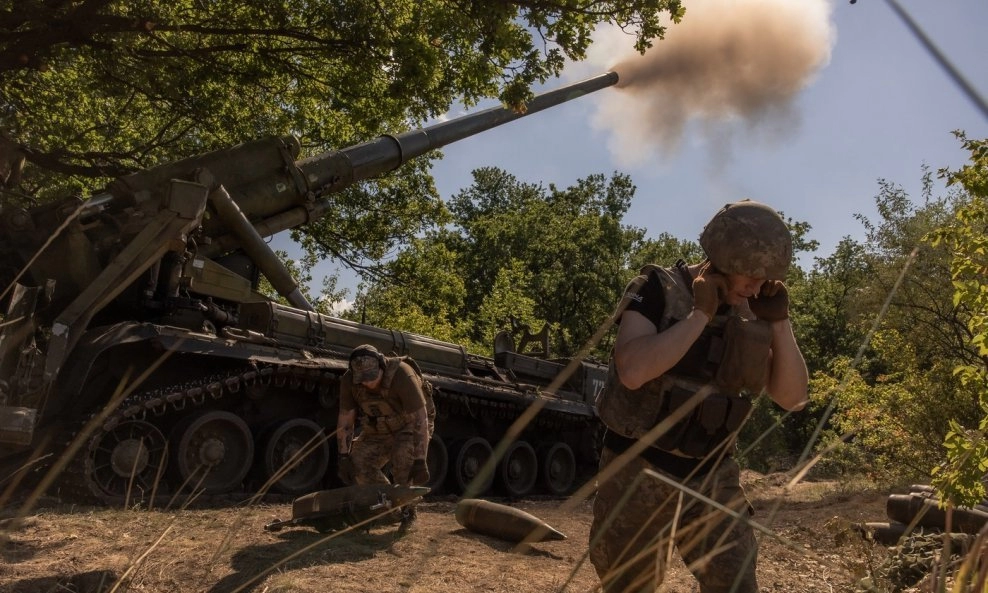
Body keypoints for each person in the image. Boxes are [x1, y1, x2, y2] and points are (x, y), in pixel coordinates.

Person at [589, 199, 809, 593]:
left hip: (711, 476)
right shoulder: (657, 289)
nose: (758, 286)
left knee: (737, 582)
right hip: (639, 469)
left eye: (766, 279)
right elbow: (633, 370)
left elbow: (792, 399)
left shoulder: (755, 310)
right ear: (723, 255)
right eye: (752, 275)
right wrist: (700, 316)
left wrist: (780, 323)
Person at [336, 344, 434, 526]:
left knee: (404, 460)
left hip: (409, 425)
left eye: (372, 376)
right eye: (362, 379)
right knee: (358, 463)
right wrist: (343, 456)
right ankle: (389, 509)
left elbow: (420, 419)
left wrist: (420, 460)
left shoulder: (402, 375)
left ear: (382, 365)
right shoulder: (349, 381)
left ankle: (408, 511)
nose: (368, 382)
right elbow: (345, 421)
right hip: (379, 427)